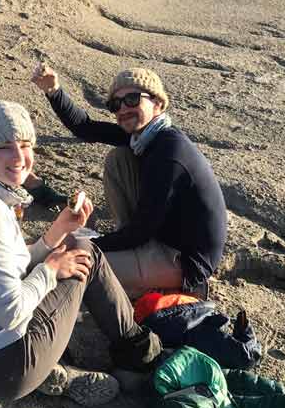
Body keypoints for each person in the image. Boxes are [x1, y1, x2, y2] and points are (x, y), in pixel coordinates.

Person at [0, 99, 162, 405]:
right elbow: (8, 311)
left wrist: (58, 231)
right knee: (85, 252)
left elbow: (11, 266)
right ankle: (141, 354)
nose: (20, 157)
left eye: (25, 145)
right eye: (4, 147)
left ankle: (57, 368)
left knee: (72, 242)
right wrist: (50, 271)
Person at [33, 66, 227, 299]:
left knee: (79, 260)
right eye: (116, 104)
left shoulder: (169, 153)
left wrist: (93, 243)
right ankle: (131, 262)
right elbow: (85, 128)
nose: (123, 108)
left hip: (183, 260)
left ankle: (175, 287)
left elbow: (141, 231)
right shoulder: (145, 136)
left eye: (132, 99)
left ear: (157, 103)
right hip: (157, 235)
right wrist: (53, 90)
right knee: (119, 158)